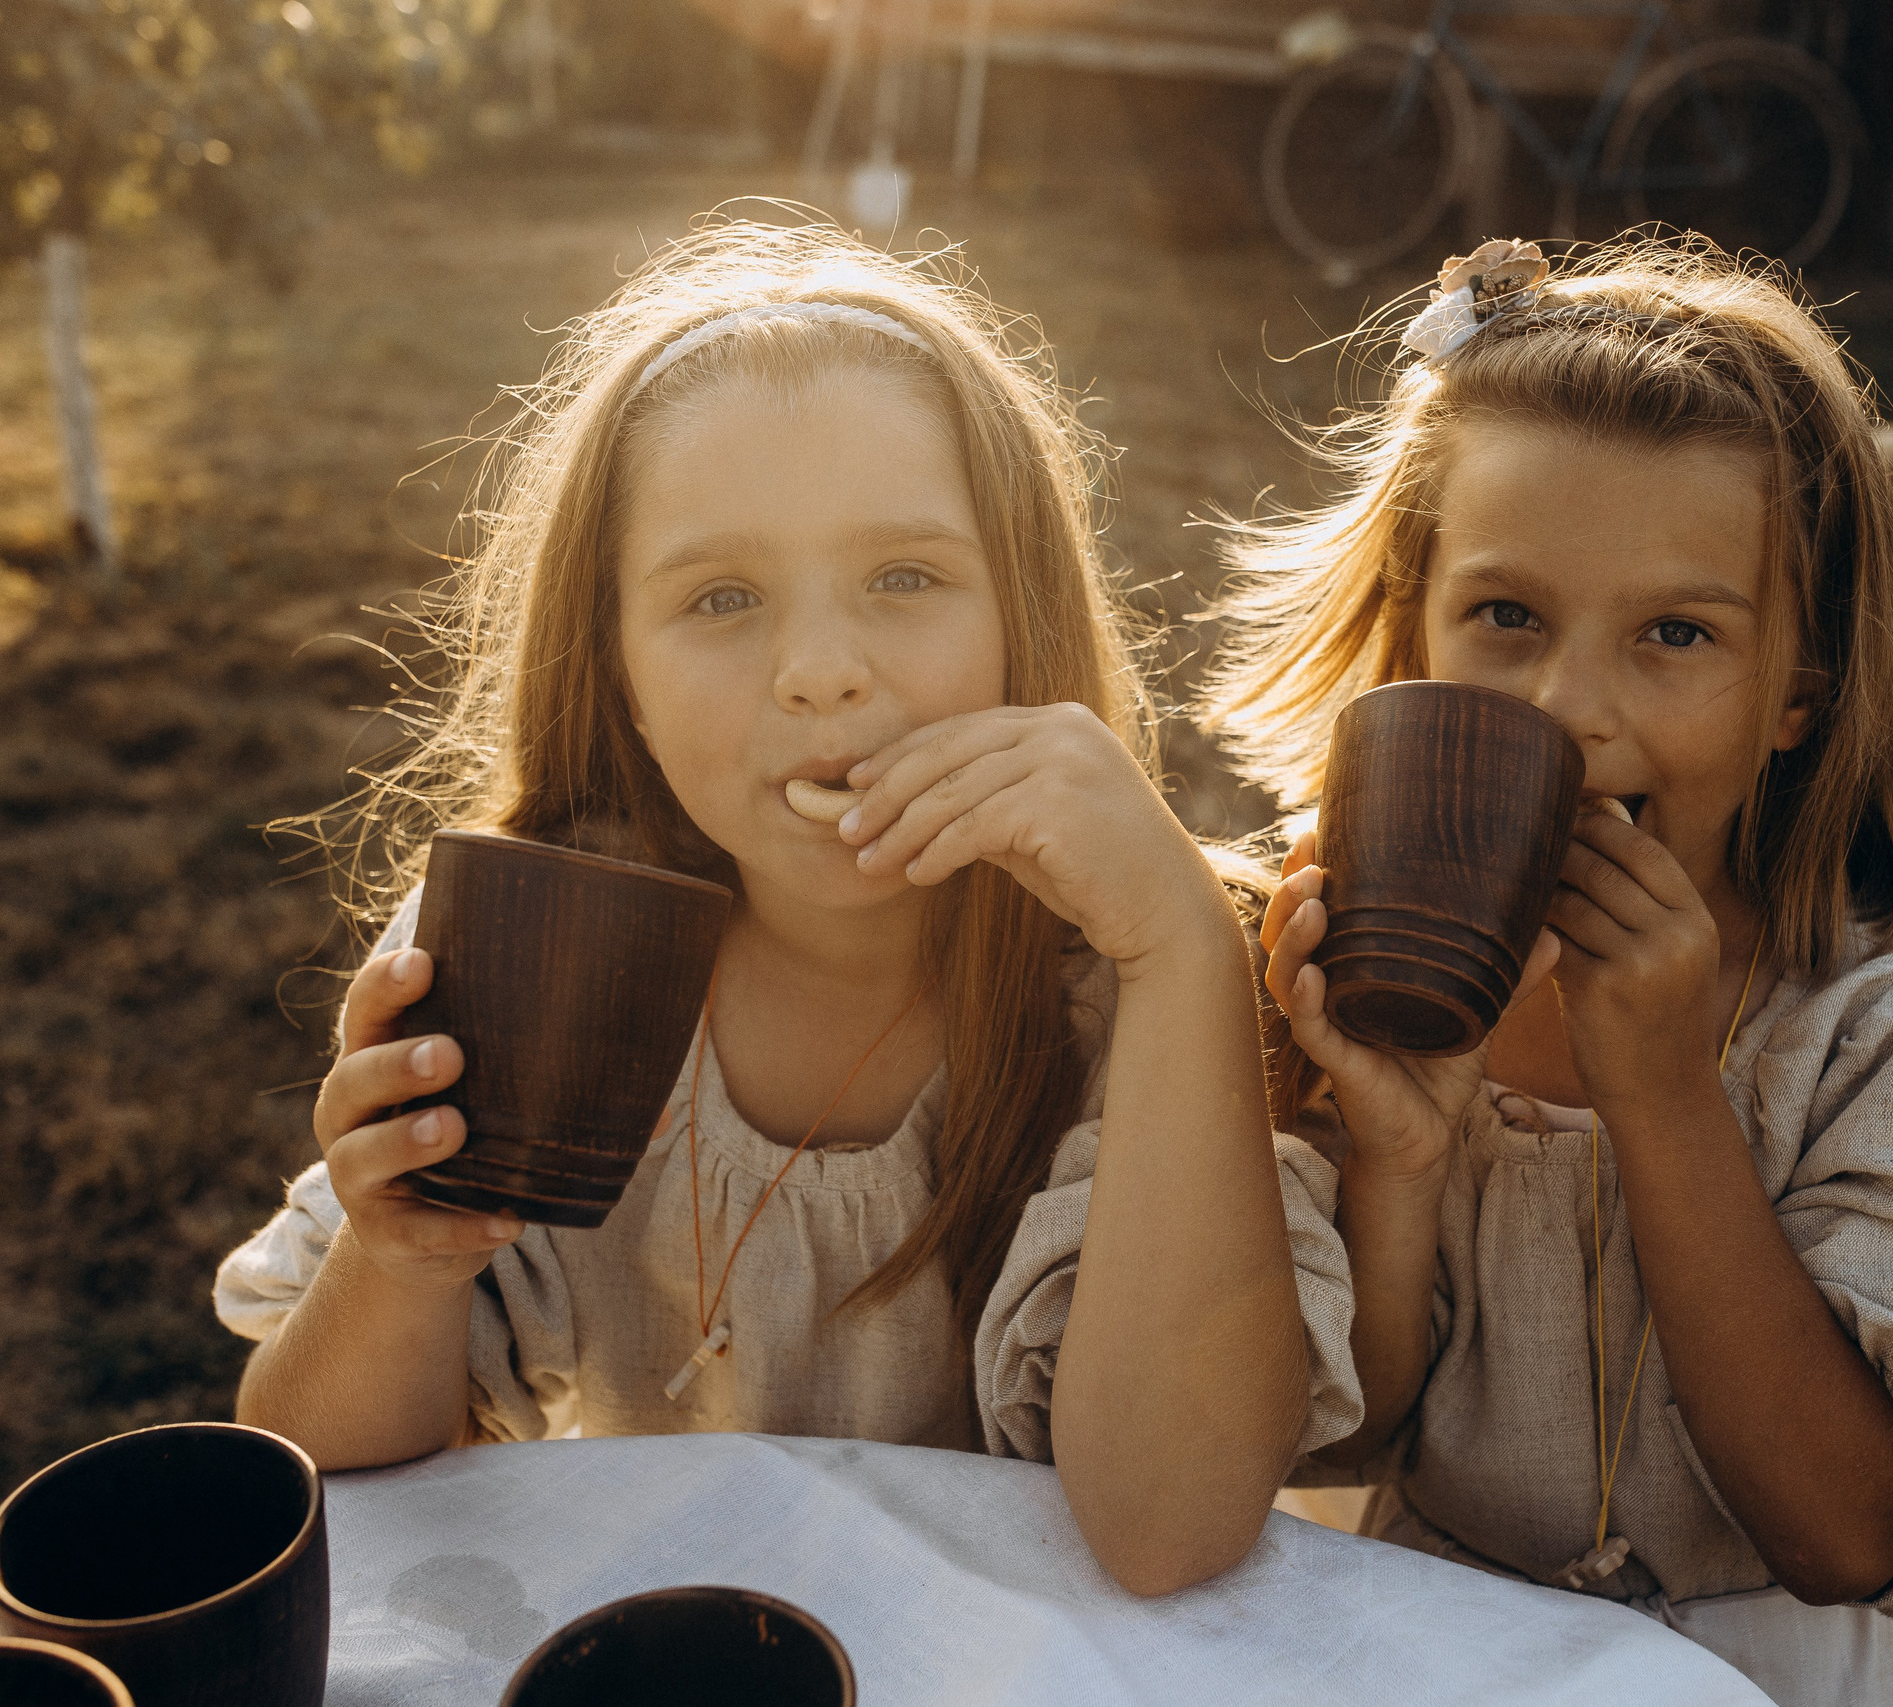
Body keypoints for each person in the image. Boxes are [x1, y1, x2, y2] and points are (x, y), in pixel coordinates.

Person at [216, 221, 1360, 1596]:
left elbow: (1172, 1528)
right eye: (721, 598)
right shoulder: (535, 950)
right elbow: (323, 1476)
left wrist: (1180, 947)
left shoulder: (1140, 983)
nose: (820, 672)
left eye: (905, 578)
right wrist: (399, 1262)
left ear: (1024, 618)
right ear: (619, 672)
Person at [1201, 238, 1893, 1703]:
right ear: (1411, 629)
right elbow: (1340, 1441)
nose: (1574, 709)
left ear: (1791, 701)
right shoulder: (1343, 988)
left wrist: (1665, 1098)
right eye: (1507, 616)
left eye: (1676, 635)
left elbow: (1847, 1531)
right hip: (1431, 1653)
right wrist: (1393, 1160)